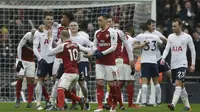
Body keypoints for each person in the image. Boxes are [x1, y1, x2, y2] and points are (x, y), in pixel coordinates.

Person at [47, 30, 90, 110]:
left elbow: (49, 52)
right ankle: (79, 99)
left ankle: (60, 107)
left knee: (59, 89)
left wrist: (50, 41)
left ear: (61, 37)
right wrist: (92, 53)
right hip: (76, 73)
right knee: (66, 92)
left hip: (68, 72)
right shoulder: (76, 44)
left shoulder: (62, 46)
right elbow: (87, 50)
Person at [160, 18, 196, 111]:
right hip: (173, 64)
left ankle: (173, 104)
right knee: (180, 85)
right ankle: (188, 106)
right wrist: (163, 58)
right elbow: (167, 49)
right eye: (172, 26)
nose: (173, 28)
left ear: (180, 26)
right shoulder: (171, 37)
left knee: (178, 83)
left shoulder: (187, 37)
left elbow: (193, 51)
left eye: (175, 26)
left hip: (182, 63)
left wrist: (193, 64)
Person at [85, 14, 118, 112]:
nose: (98, 22)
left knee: (112, 85)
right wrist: (96, 51)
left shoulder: (112, 32)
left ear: (105, 21)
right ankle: (99, 107)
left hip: (110, 62)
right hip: (100, 62)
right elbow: (94, 45)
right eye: (98, 20)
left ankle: (114, 105)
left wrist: (102, 53)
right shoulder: (97, 32)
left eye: (100, 20)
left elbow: (114, 47)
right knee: (99, 82)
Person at [105, 15, 135, 110]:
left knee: (115, 83)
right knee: (113, 84)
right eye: (107, 22)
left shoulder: (119, 32)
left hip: (117, 60)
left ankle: (111, 103)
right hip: (107, 60)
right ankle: (118, 104)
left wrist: (131, 59)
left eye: (110, 21)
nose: (109, 23)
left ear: (113, 22)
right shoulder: (102, 33)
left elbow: (128, 45)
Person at [47, 11, 74, 110]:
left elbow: (59, 46)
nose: (61, 19)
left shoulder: (71, 31)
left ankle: (56, 103)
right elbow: (57, 44)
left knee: (62, 83)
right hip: (57, 58)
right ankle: (58, 102)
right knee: (55, 80)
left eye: (63, 18)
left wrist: (51, 41)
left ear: (67, 19)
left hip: (65, 61)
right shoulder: (60, 28)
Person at [134, 26, 163, 107]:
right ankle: (159, 102)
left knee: (144, 82)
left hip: (145, 61)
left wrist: (141, 45)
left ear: (143, 29)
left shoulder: (140, 36)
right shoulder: (155, 36)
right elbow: (161, 44)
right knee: (156, 82)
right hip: (154, 61)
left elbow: (133, 45)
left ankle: (143, 102)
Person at [33, 11, 56, 110]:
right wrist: (40, 58)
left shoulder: (55, 30)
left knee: (55, 81)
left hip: (54, 59)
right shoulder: (39, 32)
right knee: (40, 81)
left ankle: (52, 102)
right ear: (44, 20)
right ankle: (38, 103)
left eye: (51, 19)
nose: (49, 21)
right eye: (47, 19)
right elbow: (34, 48)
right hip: (43, 59)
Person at [68, 21, 93, 110]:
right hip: (69, 63)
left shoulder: (82, 38)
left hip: (82, 62)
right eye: (71, 26)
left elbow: (92, 46)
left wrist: (88, 52)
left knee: (83, 85)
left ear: (78, 27)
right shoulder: (66, 37)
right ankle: (72, 102)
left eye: (75, 25)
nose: (73, 27)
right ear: (69, 27)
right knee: (69, 85)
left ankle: (86, 100)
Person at [145, 19, 170, 106]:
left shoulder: (157, 33)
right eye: (152, 25)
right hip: (151, 61)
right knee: (150, 81)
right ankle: (147, 101)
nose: (154, 27)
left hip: (159, 59)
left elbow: (165, 40)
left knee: (170, 74)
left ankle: (181, 91)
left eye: (154, 25)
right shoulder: (144, 34)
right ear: (148, 25)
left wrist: (167, 42)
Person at [14, 28, 36, 108]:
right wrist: (19, 60)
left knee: (31, 81)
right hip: (21, 59)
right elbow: (19, 46)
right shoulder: (27, 35)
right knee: (20, 78)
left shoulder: (39, 39)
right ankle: (18, 98)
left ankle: (29, 102)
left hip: (30, 61)